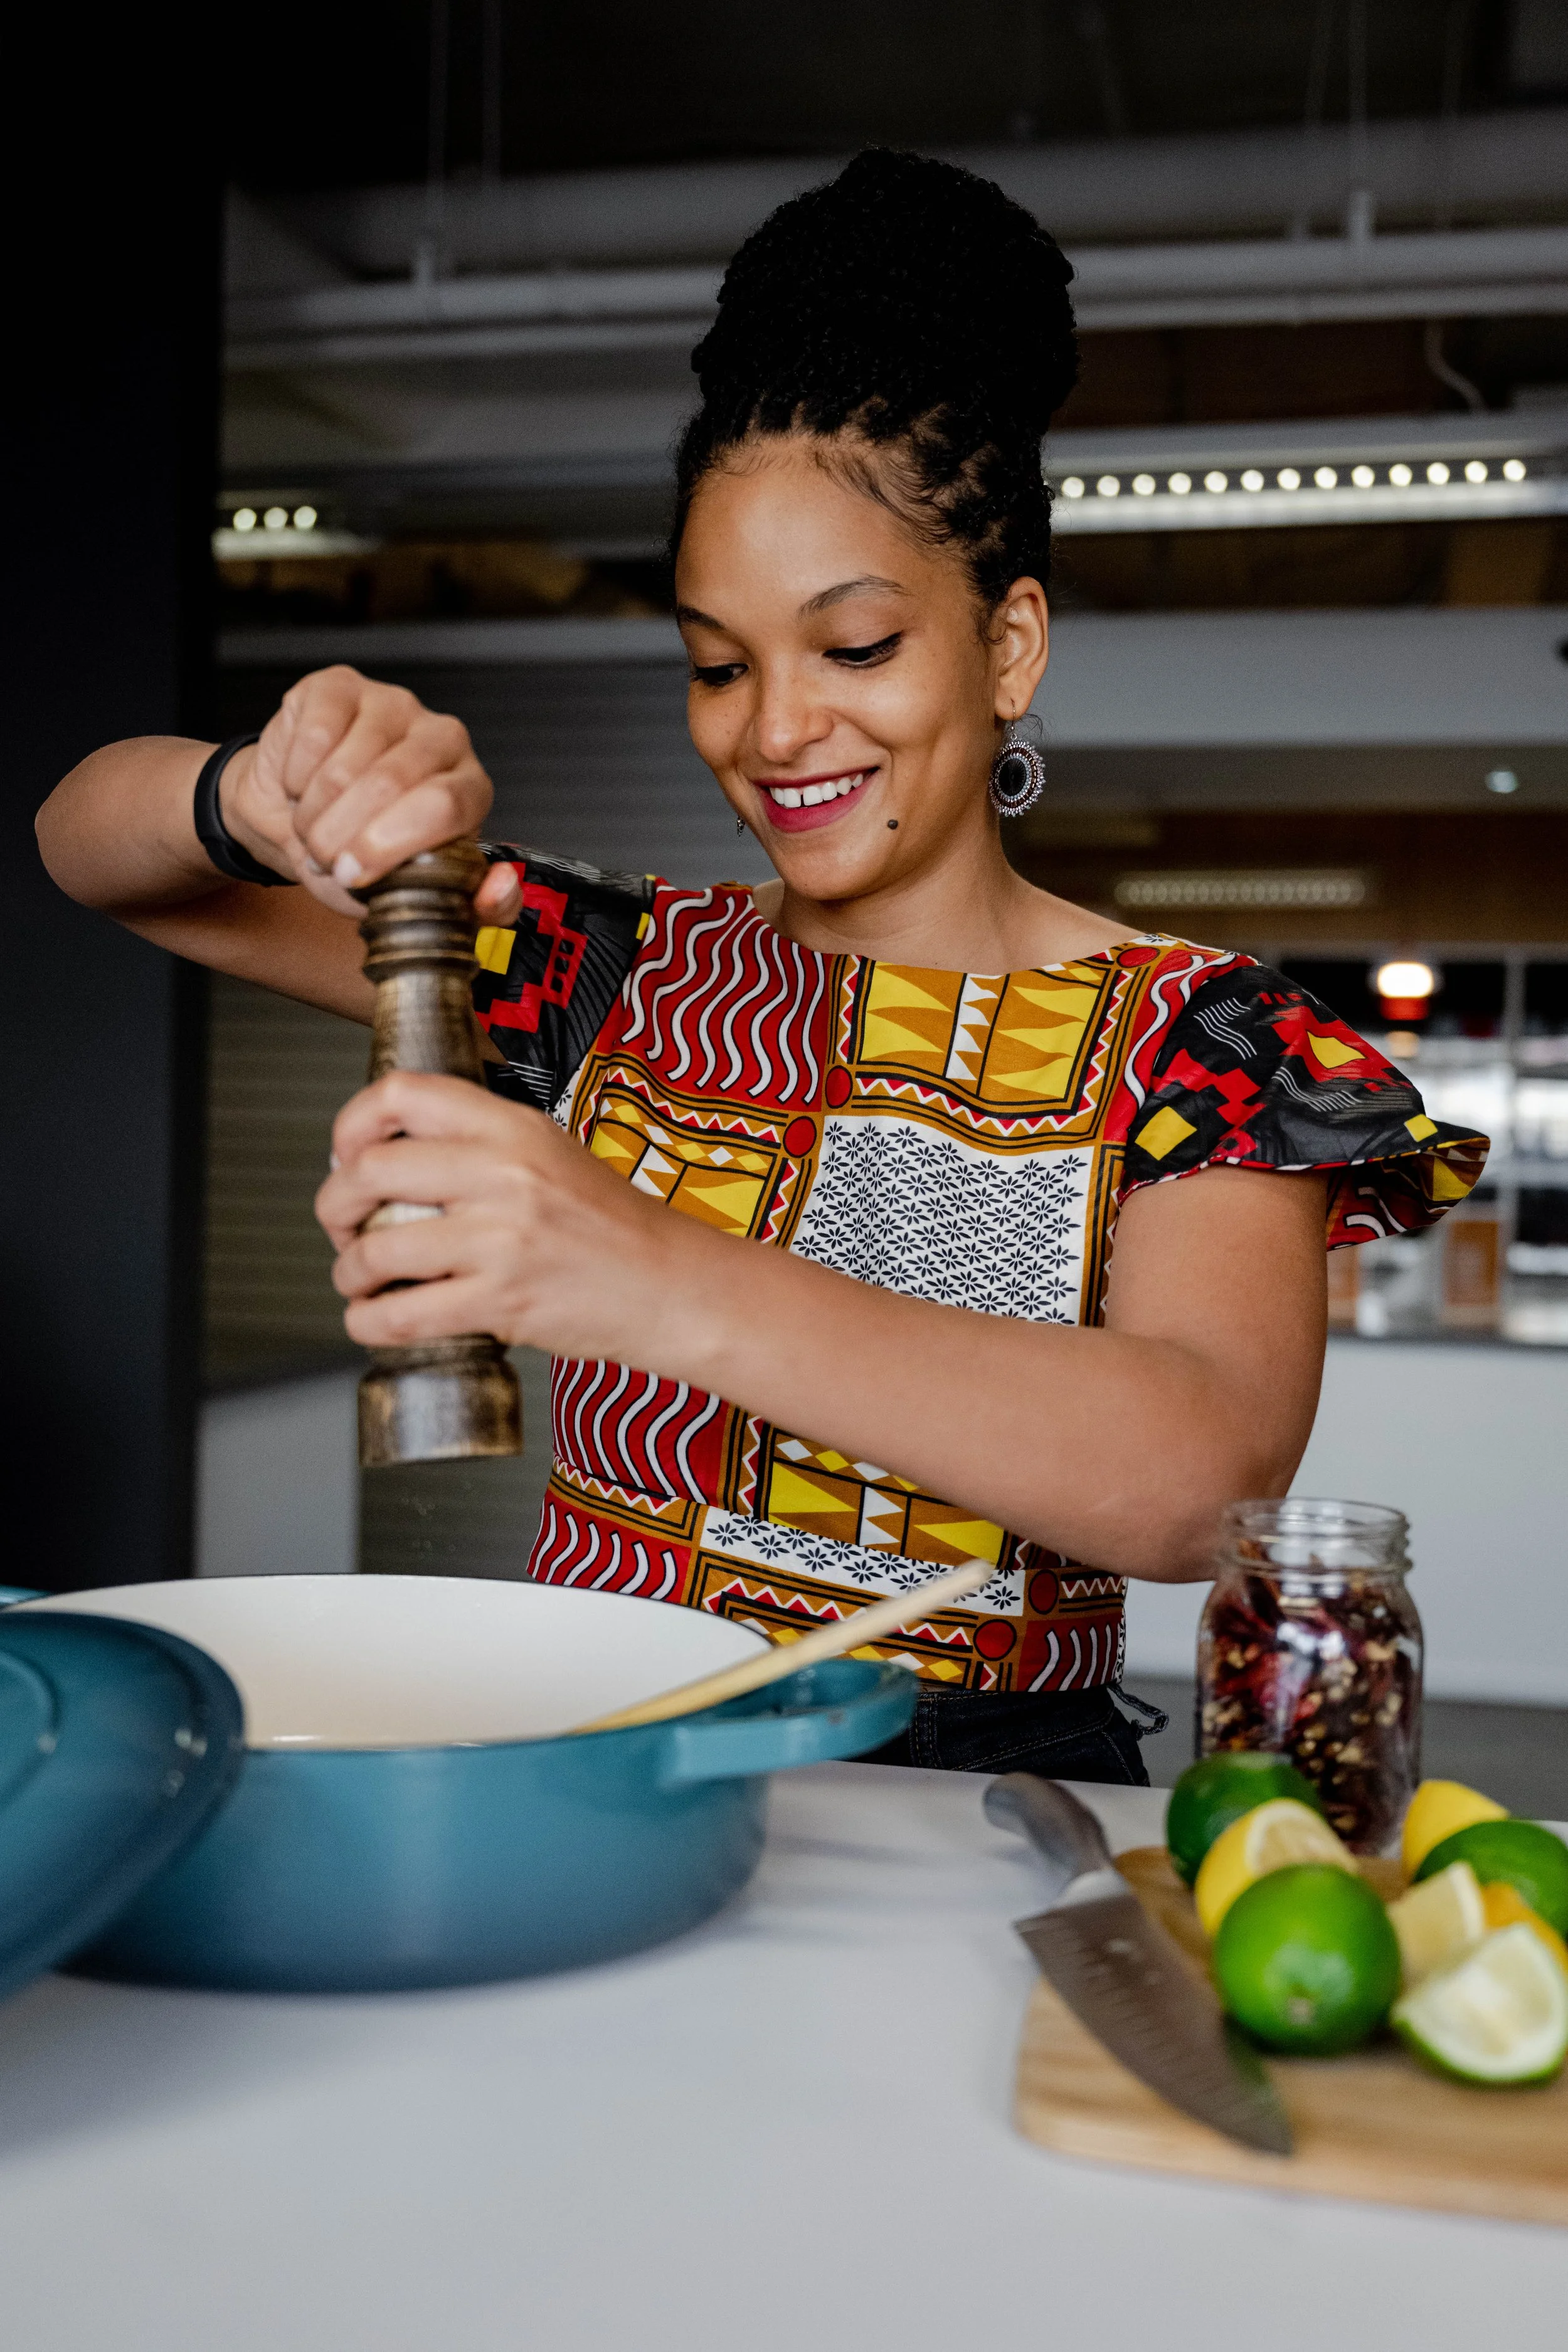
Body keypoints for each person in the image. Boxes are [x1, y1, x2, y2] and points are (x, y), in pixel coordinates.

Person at [37, 151, 1486, 1786]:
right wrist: (259, 788)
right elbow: (95, 845)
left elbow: (1189, 1473)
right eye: (716, 663)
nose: (774, 728)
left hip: (971, 1809)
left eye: (853, 646)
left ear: (1006, 644)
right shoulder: (605, 969)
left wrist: (638, 1266)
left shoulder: (1196, 1037)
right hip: (600, 1762)